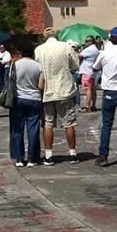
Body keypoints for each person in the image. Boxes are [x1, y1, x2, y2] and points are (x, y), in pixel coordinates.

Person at [34, 28, 80, 165]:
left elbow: (38, 69)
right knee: (69, 123)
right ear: (57, 36)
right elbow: (75, 65)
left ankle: (48, 155)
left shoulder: (39, 49)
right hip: (64, 88)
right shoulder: (66, 47)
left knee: (48, 123)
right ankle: (73, 153)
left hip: (48, 90)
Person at [93, 26, 117, 167]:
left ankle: (103, 156)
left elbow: (95, 68)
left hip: (109, 91)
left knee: (106, 125)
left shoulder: (104, 54)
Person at [9, 41, 43, 167]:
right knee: (33, 128)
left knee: (17, 128)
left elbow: (10, 81)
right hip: (34, 98)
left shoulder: (15, 65)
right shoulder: (38, 66)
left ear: (21, 52)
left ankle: (19, 158)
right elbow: (40, 85)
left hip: (18, 98)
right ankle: (32, 158)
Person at [77, 36, 100, 112]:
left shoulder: (89, 49)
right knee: (93, 89)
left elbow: (79, 56)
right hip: (93, 72)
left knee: (88, 89)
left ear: (91, 42)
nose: (85, 42)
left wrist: (78, 50)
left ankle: (87, 106)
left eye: (87, 41)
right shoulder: (96, 49)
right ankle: (93, 105)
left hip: (87, 71)